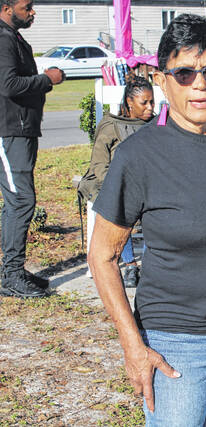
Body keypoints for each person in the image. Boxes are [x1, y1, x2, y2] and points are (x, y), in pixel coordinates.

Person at [88, 14, 206, 425]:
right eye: (185, 73)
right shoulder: (139, 157)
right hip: (176, 341)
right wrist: (132, 344)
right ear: (162, 80)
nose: (200, 85)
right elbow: (102, 256)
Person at [0, 0, 64, 298]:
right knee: (21, 200)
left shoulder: (13, 37)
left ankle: (11, 270)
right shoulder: (3, 38)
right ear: (6, 8)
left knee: (17, 200)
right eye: (27, 7)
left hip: (21, 130)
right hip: (9, 131)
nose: (32, 12)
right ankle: (11, 275)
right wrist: (46, 80)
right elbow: (9, 85)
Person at [78, 76, 155, 287]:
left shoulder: (156, 124)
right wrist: (118, 187)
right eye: (144, 103)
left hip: (148, 184)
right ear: (130, 103)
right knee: (121, 208)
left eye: (152, 102)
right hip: (115, 182)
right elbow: (99, 164)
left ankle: (149, 266)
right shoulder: (111, 126)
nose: (150, 107)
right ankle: (130, 264)